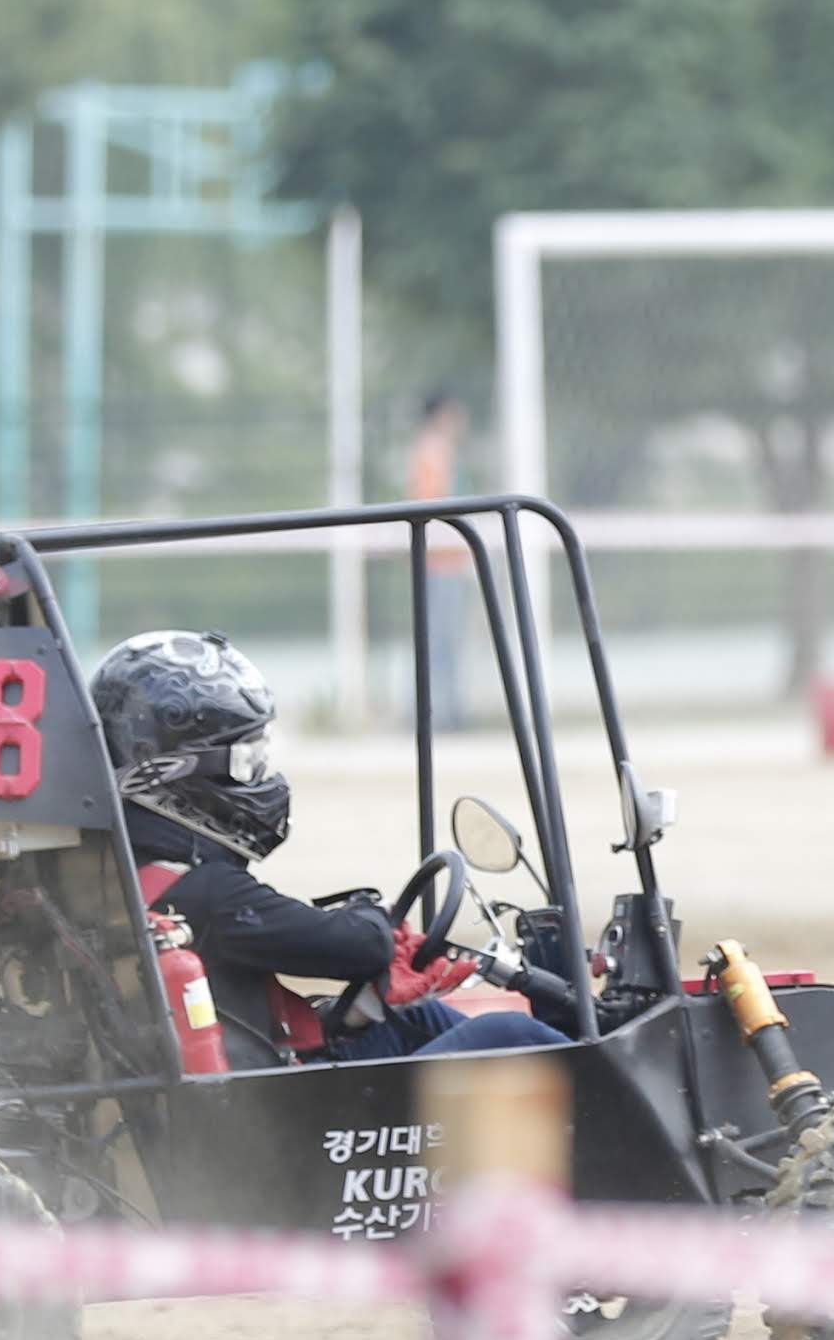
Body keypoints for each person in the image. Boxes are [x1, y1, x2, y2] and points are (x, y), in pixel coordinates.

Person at [88, 628, 570, 1064]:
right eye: (247, 760)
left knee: (410, 1020)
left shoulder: (122, 871)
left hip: (262, 1074)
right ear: (175, 773)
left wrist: (359, 999)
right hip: (280, 1122)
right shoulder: (202, 892)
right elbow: (356, 946)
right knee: (511, 1033)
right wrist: (378, 925)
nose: (260, 776)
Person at [401, 388, 474, 734]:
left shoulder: (437, 452)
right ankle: (435, 714)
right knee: (437, 641)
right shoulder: (432, 453)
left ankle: (443, 711)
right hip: (438, 565)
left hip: (445, 564)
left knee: (441, 641)